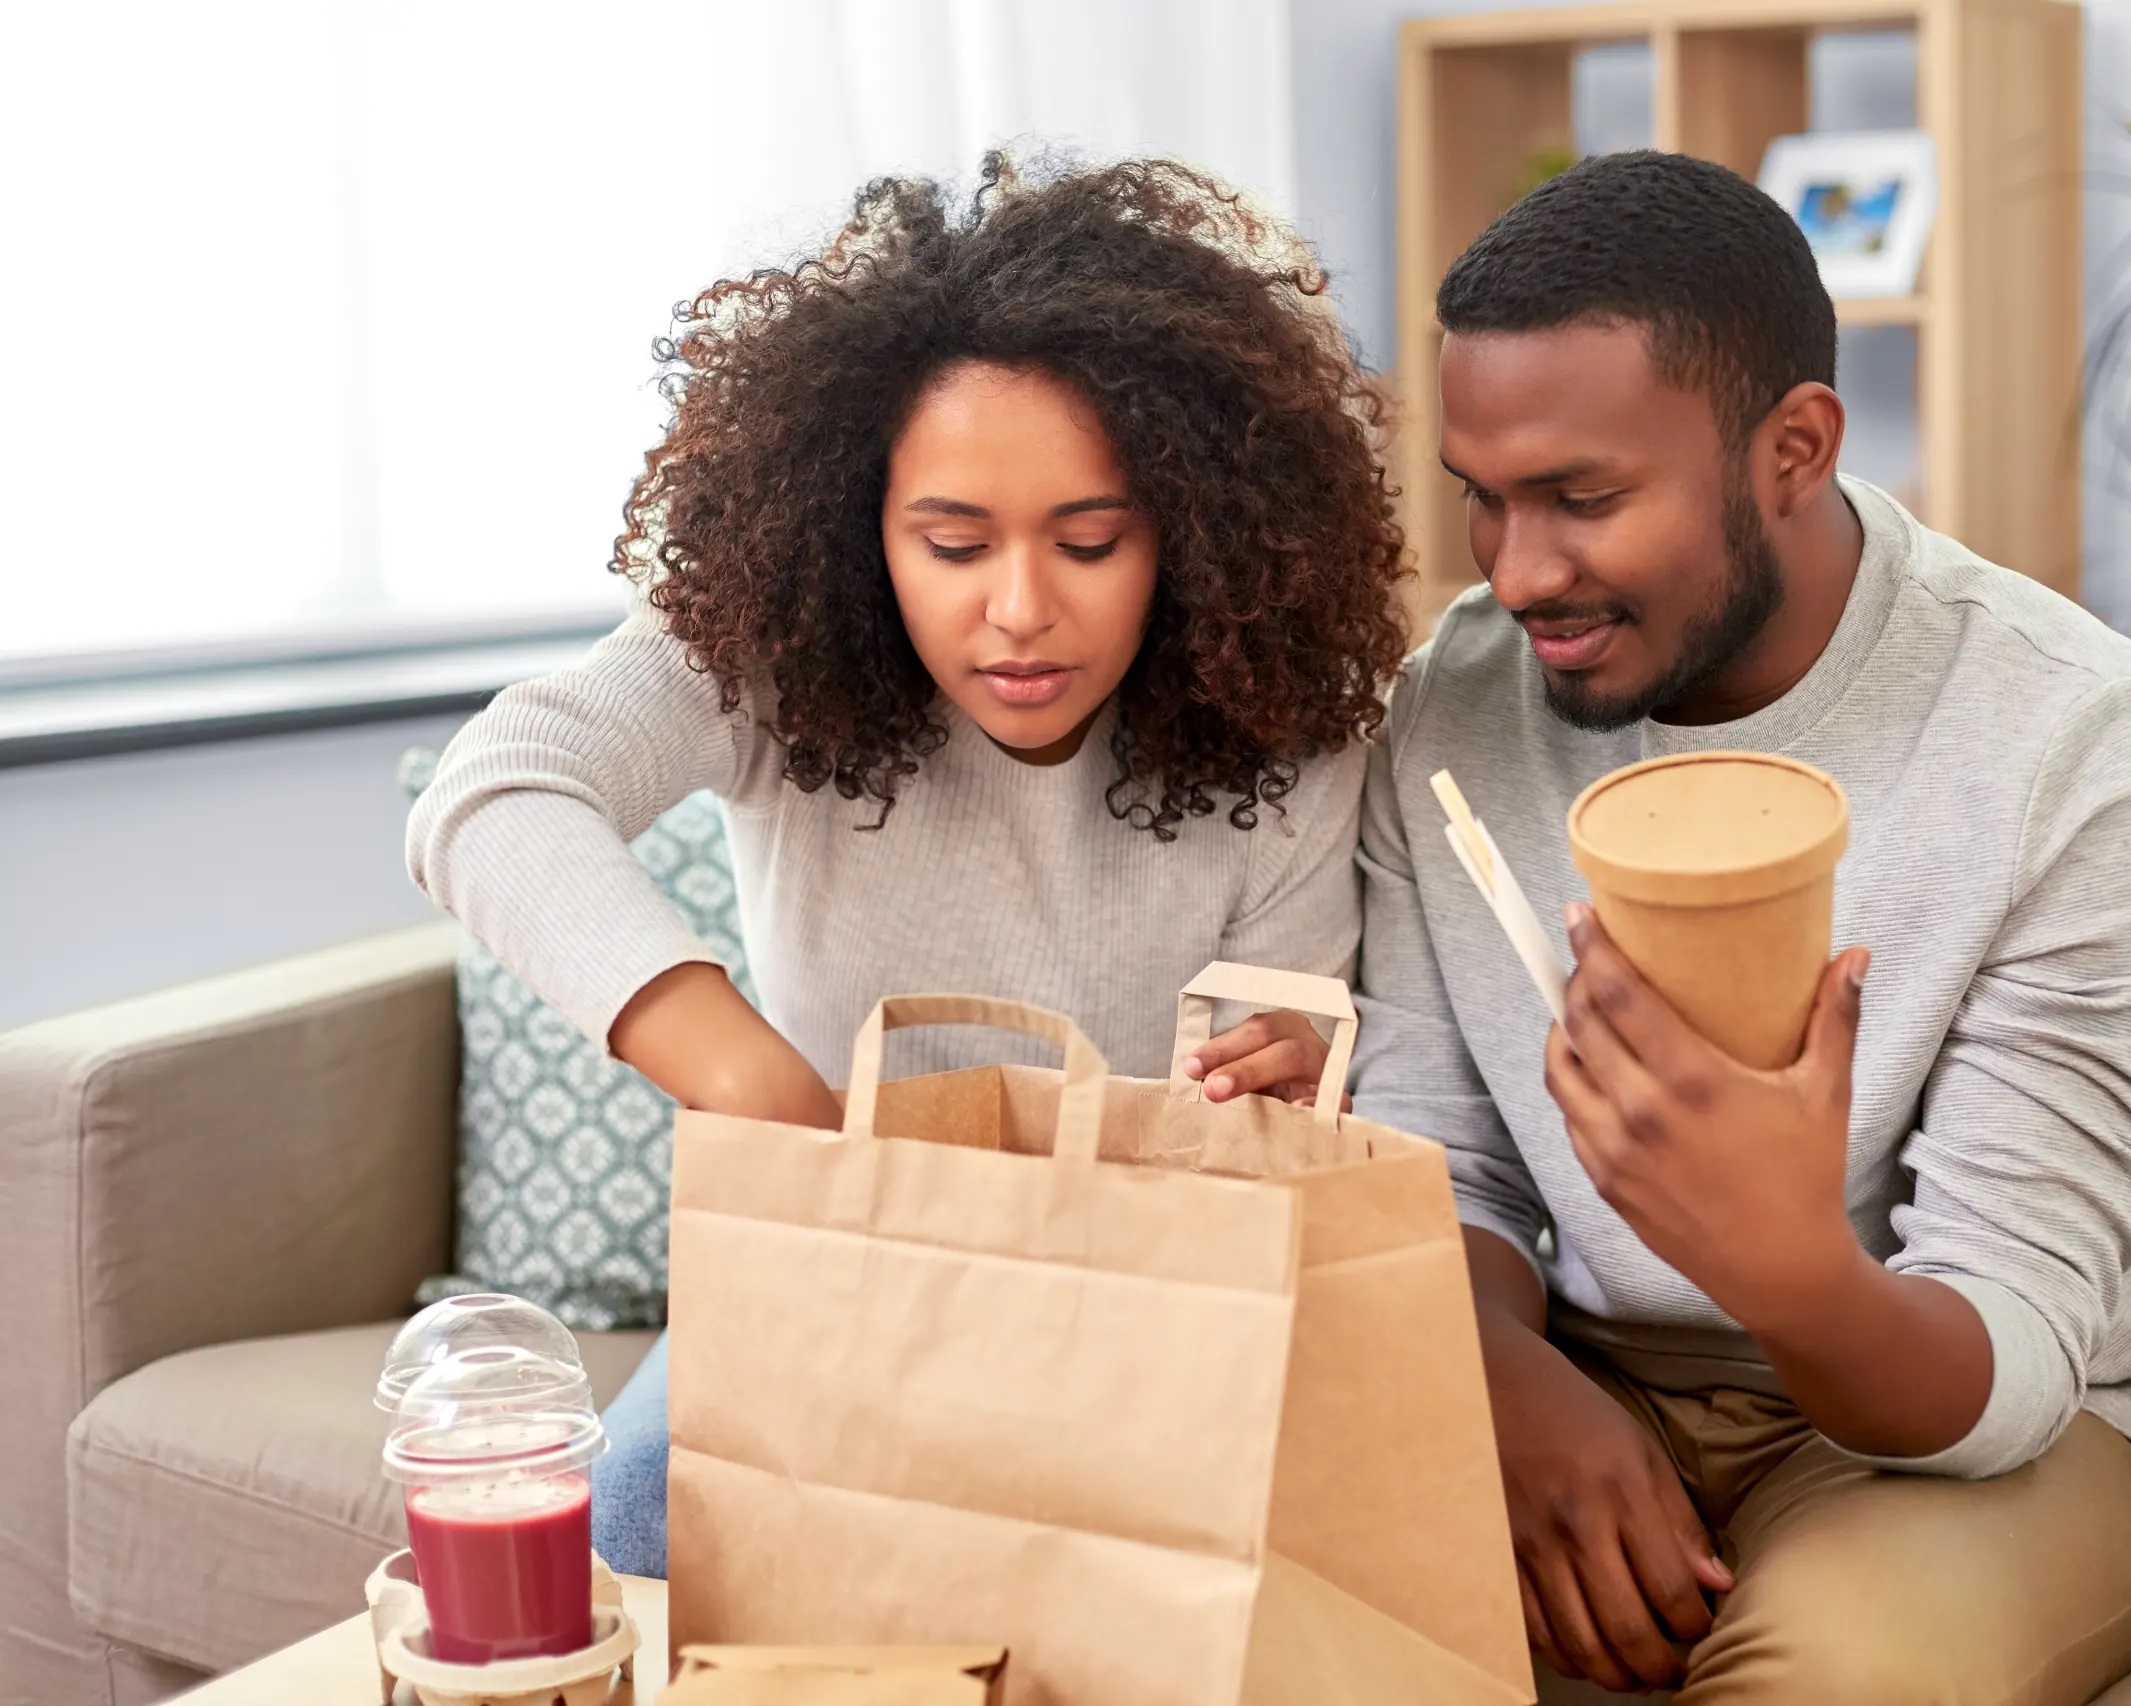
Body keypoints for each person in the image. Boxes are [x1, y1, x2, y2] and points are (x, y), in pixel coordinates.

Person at [406, 154, 1408, 1577]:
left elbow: (1278, 1098)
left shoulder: (1290, 734)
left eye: (1090, 540)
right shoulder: (769, 656)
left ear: (1187, 529)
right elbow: (492, 794)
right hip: (832, 1273)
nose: (1018, 612)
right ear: (859, 528)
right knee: (640, 1514)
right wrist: (749, 1076)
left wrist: (1290, 1069)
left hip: (1145, 1294)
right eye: (951, 542)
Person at [1350, 152, 2131, 1704]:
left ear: (1795, 447)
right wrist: (1515, 1391)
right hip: (1584, 1368)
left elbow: (2014, 1354)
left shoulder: (2077, 742)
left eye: (1583, 498)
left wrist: (1785, 1263)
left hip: (1994, 1422)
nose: (1515, 571)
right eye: (1482, 500)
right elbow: (1433, 1150)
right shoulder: (1456, 700)